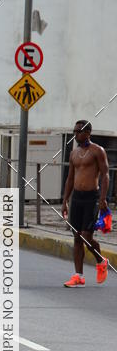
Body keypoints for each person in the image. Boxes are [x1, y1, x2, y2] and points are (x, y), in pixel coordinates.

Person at [61, 119, 109, 287]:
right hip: (77, 198)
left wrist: (103, 198)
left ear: (87, 132)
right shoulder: (74, 153)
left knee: (86, 236)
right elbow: (70, 178)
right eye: (74, 131)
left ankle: (101, 261)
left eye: (78, 131)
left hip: (92, 198)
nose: (75, 134)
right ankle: (78, 275)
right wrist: (65, 200)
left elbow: (105, 175)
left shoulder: (98, 151)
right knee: (77, 237)